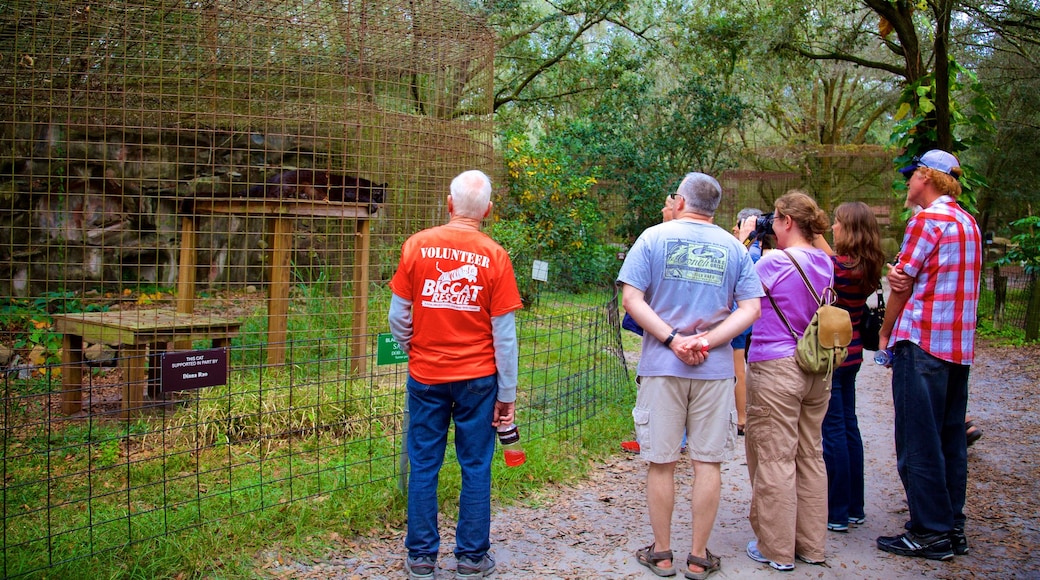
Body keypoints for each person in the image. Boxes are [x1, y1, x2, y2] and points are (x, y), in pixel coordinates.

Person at [617, 172, 762, 580]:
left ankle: (662, 553)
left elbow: (631, 298)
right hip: (715, 371)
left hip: (663, 366)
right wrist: (709, 341)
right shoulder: (734, 248)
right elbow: (751, 308)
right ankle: (698, 557)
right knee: (707, 462)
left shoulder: (652, 238)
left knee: (661, 462)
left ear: (680, 200)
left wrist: (673, 339)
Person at [388, 169, 523, 580]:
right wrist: (508, 391)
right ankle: (471, 559)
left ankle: (422, 558)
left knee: (424, 462)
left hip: (426, 374)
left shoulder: (416, 246)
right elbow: (505, 336)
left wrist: (416, 348)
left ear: (449, 204)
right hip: (479, 379)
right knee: (476, 464)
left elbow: (397, 316)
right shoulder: (495, 256)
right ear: (488, 211)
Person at [875, 149, 982, 561]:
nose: (906, 184)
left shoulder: (927, 220)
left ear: (928, 178)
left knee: (918, 441)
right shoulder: (967, 222)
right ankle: (952, 525)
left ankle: (929, 532)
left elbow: (902, 284)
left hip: (922, 344)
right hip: (957, 349)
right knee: (950, 438)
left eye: (911, 176)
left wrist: (885, 334)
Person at [744, 190, 833, 571]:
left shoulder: (775, 262)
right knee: (810, 455)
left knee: (775, 458)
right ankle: (812, 546)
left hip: (777, 367)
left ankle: (776, 549)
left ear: (786, 222)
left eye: (776, 220)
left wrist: (745, 236)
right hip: (817, 368)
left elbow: (735, 290)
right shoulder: (825, 262)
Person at [813, 202, 885, 533]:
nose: (833, 228)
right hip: (854, 354)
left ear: (850, 229)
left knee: (834, 433)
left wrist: (810, 232)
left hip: (833, 354)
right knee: (850, 428)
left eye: (838, 223)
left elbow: (826, 262)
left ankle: (837, 512)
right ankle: (855, 506)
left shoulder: (836, 268)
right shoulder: (868, 265)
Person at [622, 193, 677, 454]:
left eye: (666, 206)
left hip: (663, 330)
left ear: (680, 207)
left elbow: (633, 297)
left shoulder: (655, 238)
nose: (662, 210)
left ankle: (655, 440)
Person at [731, 207, 765, 435]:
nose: (734, 228)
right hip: (754, 319)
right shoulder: (763, 252)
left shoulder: (748, 253)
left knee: (738, 370)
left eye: (738, 224)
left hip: (738, 316)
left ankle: (742, 417)